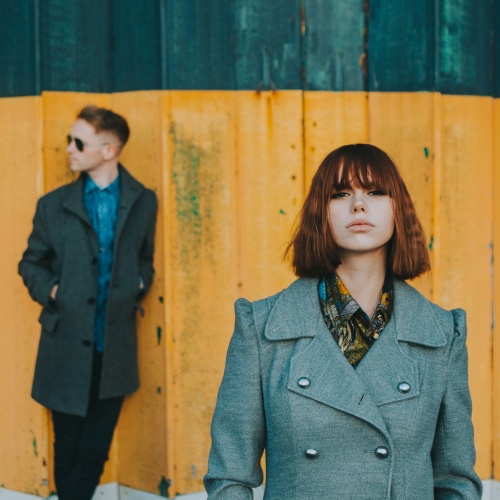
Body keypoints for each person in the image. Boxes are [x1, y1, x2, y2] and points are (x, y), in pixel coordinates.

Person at [204, 144, 482, 499]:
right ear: (320, 211)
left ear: (398, 208)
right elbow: (229, 477)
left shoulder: (441, 334)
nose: (358, 205)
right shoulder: (261, 329)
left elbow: (455, 481)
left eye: (375, 192)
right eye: (340, 193)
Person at [18, 105, 157, 500]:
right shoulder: (52, 205)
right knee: (67, 446)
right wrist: (54, 291)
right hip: (64, 341)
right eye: (70, 140)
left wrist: (139, 282)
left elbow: (145, 259)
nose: (69, 149)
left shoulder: (143, 201)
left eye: (79, 142)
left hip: (115, 345)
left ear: (109, 150)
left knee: (95, 448)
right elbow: (30, 263)